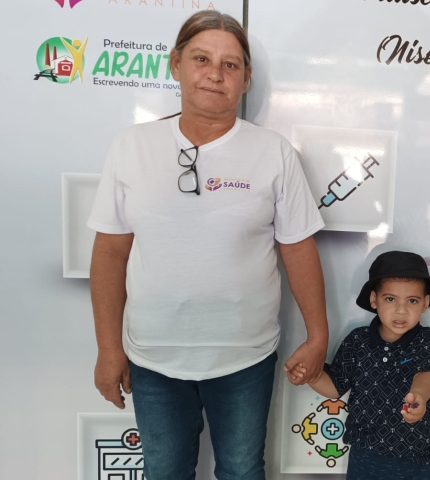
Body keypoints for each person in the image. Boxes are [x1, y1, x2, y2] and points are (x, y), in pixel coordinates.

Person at [87, 11, 328, 480]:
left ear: (246, 79)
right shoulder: (132, 146)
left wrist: (318, 336)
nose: (215, 74)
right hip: (153, 356)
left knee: (241, 471)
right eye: (201, 59)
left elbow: (298, 248)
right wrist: (108, 347)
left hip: (245, 356)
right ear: (176, 65)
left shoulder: (273, 152)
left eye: (230, 64)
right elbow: (111, 251)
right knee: (164, 472)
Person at [288, 251, 430, 480]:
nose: (401, 310)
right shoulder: (357, 341)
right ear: (374, 299)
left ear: (425, 303)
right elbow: (335, 386)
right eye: (390, 299)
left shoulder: (427, 339)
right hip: (365, 453)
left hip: (415, 455)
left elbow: (427, 374)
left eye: (412, 300)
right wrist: (311, 375)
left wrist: (419, 395)